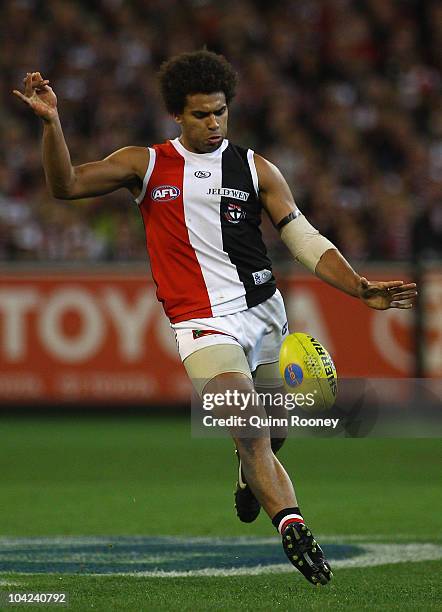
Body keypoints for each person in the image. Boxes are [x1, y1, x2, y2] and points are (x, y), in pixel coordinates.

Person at [13, 51, 417, 586]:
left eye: (220, 112)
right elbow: (65, 186)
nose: (213, 123)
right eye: (201, 114)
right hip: (203, 325)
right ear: (177, 115)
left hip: (265, 315)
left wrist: (359, 287)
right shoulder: (146, 163)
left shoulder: (256, 168)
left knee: (271, 437)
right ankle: (293, 528)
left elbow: (301, 237)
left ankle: (251, 479)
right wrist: (52, 124)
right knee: (247, 427)